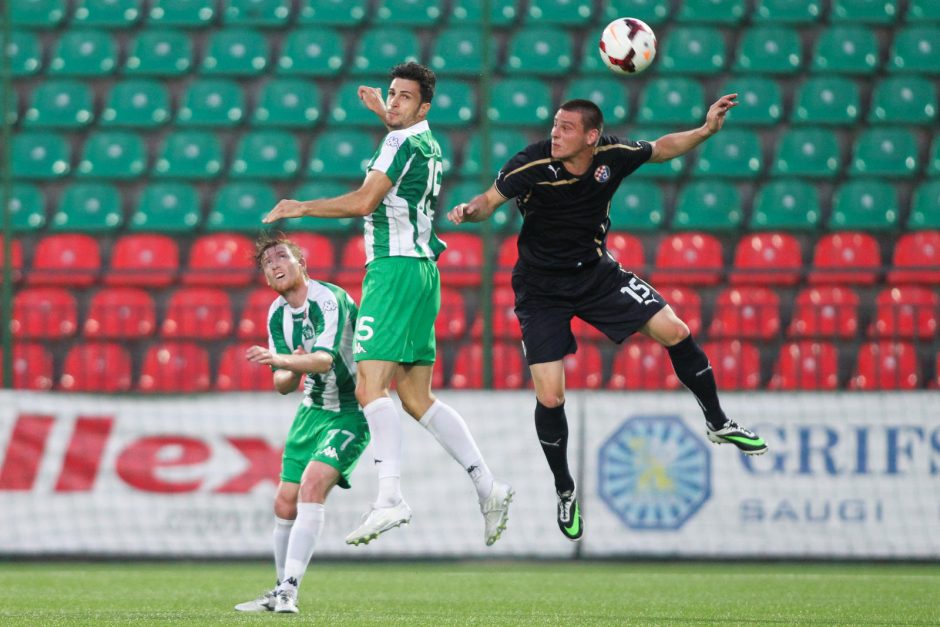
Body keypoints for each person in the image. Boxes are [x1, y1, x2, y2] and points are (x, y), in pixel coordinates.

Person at [447, 96, 768, 543]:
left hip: (597, 275)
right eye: (554, 125)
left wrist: (704, 130)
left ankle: (718, 422)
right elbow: (489, 200)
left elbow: (660, 148)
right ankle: (564, 489)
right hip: (540, 291)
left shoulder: (612, 157)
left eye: (566, 128)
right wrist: (469, 211)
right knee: (552, 397)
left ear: (591, 137)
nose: (555, 133)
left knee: (675, 330)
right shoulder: (531, 165)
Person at [263, 62, 513, 548]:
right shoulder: (427, 140)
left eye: (403, 97)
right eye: (391, 94)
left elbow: (364, 202)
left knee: (368, 387)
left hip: (392, 271)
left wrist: (301, 207)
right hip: (424, 272)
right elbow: (401, 151)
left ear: (423, 106)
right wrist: (385, 114)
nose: (393, 101)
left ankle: (390, 498)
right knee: (417, 398)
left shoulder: (399, 143)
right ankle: (488, 485)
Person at [235, 233, 369, 614]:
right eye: (267, 263)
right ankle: (278, 590)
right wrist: (284, 365)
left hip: (350, 409)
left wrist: (285, 361)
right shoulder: (276, 313)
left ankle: (290, 590)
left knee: (312, 485)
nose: (274, 265)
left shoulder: (329, 298)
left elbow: (325, 360)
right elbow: (282, 385)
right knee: (284, 501)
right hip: (310, 412)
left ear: (301, 264)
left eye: (282, 257)